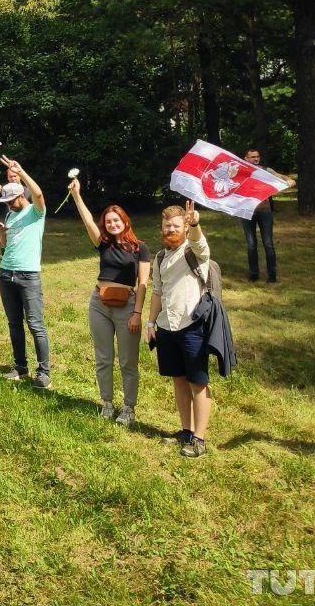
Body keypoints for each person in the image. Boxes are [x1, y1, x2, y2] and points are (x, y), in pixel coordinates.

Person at [69, 177, 149, 427]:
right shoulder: (103, 244)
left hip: (127, 306)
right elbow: (87, 221)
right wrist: (76, 196)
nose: (112, 224)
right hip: (99, 304)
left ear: (125, 221)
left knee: (128, 361)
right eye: (108, 221)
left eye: (116, 220)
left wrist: (137, 313)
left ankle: (129, 408)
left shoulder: (140, 248)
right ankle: (107, 403)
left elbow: (144, 283)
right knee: (103, 357)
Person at [148, 201, 213, 457]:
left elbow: (200, 243)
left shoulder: (196, 252)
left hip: (192, 326)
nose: (170, 230)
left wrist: (195, 222)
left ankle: (199, 439)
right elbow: (156, 291)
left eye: (176, 226)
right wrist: (151, 323)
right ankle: (185, 431)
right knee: (178, 381)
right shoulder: (161, 256)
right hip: (166, 327)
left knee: (198, 382)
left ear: (185, 227)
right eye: (166, 226)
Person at [0, 155, 52, 388]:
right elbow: (6, 244)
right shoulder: (10, 213)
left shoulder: (36, 212)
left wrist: (22, 170)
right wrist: (2, 232)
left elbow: (38, 194)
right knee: (14, 323)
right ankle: (20, 366)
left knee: (35, 325)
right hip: (6, 273)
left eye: (11, 200)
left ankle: (44, 372)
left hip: (28, 275)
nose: (8, 204)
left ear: (21, 195)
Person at [241, 148, 293, 283]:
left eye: (257, 156)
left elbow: (280, 176)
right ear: (246, 158)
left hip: (265, 211)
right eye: (252, 157)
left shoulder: (266, 170)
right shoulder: (241, 171)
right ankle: (254, 274)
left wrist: (288, 179)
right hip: (247, 211)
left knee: (268, 243)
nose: (256, 159)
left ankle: (272, 275)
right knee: (251, 244)